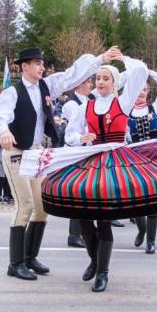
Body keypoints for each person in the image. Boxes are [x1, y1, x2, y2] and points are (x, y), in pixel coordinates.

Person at [19, 55, 157, 292]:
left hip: (115, 162)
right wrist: (81, 138)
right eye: (98, 78)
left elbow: (139, 71)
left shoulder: (123, 102)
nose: (100, 82)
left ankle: (102, 272)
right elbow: (70, 134)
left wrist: (122, 58)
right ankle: (94, 260)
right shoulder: (86, 105)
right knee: (84, 217)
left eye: (105, 78)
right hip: (92, 160)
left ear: (114, 83)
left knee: (104, 220)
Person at [0, 46, 120, 281]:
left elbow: (72, 75)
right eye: (36, 63)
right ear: (24, 66)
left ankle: (29, 257)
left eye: (42, 63)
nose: (41, 67)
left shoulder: (47, 86)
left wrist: (100, 59)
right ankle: (15, 263)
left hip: (36, 154)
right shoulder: (13, 92)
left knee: (42, 208)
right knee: (24, 206)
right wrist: (4, 131)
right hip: (16, 152)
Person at [128, 68, 157, 254]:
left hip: (154, 159)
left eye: (144, 89)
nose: (141, 92)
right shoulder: (125, 111)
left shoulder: (155, 109)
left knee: (153, 201)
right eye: (138, 88)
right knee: (136, 201)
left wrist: (148, 71)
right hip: (134, 158)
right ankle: (142, 229)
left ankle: (151, 240)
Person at [59, 77, 95, 249]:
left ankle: (84, 231)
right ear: (80, 84)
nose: (91, 85)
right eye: (88, 82)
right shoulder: (71, 104)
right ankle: (74, 235)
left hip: (87, 151)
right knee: (77, 193)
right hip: (75, 152)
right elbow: (81, 126)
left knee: (87, 194)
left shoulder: (90, 100)